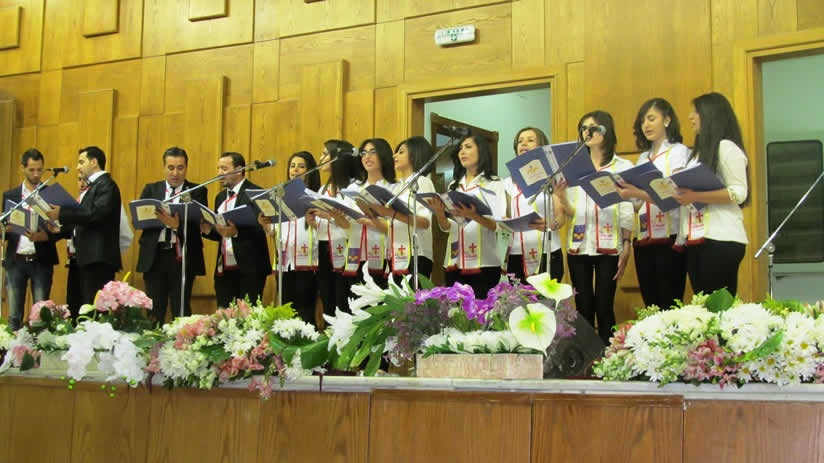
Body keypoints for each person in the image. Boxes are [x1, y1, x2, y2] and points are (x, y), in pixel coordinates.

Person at [559, 111, 634, 345]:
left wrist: (627, 242)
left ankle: (608, 356)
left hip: (609, 244)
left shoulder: (622, 165)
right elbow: (571, 211)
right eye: (583, 128)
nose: (587, 132)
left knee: (604, 305)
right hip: (579, 244)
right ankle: (586, 358)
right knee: (583, 307)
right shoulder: (573, 167)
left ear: (606, 130)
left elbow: (627, 207)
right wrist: (560, 196)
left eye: (593, 127)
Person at [615, 98, 690, 310]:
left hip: (670, 237)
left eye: (651, 119)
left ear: (666, 120)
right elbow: (637, 203)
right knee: (651, 305)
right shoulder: (642, 158)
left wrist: (636, 192)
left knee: (670, 303)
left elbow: (675, 195)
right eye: (642, 121)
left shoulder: (678, 151)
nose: (645, 125)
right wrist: (622, 192)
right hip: (644, 238)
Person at [673, 92, 749, 296]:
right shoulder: (697, 154)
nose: (690, 117)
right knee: (702, 306)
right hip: (697, 238)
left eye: (696, 112)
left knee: (718, 306)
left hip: (721, 238)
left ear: (711, 115)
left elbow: (739, 192)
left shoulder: (725, 147)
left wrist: (695, 196)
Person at [428, 133, 507, 299]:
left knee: (481, 310)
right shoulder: (454, 186)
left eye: (468, 147)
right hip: (454, 262)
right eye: (460, 148)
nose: (462, 151)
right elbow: (448, 227)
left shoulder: (495, 183)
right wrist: (440, 213)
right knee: (456, 312)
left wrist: (473, 215)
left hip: (484, 264)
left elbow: (498, 225)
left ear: (481, 151)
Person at [136, 147, 207, 325]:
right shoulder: (151, 189)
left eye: (180, 168)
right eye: (171, 168)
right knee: (154, 309)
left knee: (181, 309)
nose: (175, 173)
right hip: (155, 256)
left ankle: (183, 342)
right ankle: (153, 341)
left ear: (186, 168)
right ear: (164, 168)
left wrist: (177, 226)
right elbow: (139, 220)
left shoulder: (197, 191)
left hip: (181, 257)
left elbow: (198, 225)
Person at [47, 146, 123, 305]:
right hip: (88, 257)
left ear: (94, 162)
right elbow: (84, 220)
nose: (77, 167)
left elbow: (95, 215)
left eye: (81, 162)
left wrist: (62, 213)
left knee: (95, 307)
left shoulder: (106, 185)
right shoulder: (93, 186)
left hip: (98, 258)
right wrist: (61, 229)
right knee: (83, 306)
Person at [1, 149, 62, 330]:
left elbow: (60, 228)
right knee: (14, 315)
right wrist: (6, 229)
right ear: (22, 168)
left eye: (39, 170)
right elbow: (4, 227)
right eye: (31, 170)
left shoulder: (50, 193)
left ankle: (39, 347)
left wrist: (46, 236)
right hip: (16, 259)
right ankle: (14, 347)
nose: (36, 174)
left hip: (40, 260)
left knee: (40, 315)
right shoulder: (11, 195)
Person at [200, 152, 270, 308]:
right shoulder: (220, 197)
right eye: (218, 168)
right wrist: (207, 230)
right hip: (225, 269)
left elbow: (261, 228)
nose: (219, 173)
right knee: (224, 316)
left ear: (239, 170)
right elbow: (222, 233)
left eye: (224, 169)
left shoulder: (256, 193)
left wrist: (236, 232)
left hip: (250, 268)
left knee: (248, 317)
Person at [259, 151, 321, 324]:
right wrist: (265, 224)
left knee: (305, 312)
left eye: (301, 166)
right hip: (285, 263)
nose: (295, 170)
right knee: (286, 311)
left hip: (308, 262)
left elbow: (323, 228)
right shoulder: (280, 197)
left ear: (310, 171)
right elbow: (275, 231)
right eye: (292, 166)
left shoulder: (315, 196)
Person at [504, 127, 566, 283]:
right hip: (517, 253)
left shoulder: (552, 178)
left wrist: (552, 224)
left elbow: (560, 217)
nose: (523, 143)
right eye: (520, 141)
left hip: (547, 251)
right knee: (518, 298)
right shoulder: (507, 183)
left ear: (541, 147)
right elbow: (506, 216)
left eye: (530, 140)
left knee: (546, 298)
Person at [305, 140, 358, 316]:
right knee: (327, 296)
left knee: (343, 298)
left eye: (325, 154)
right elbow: (322, 224)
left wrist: (328, 216)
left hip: (345, 246)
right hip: (324, 246)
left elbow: (352, 222)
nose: (321, 158)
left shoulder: (351, 187)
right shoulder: (322, 188)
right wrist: (313, 222)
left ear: (338, 157)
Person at [344, 138, 397, 288]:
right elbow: (345, 223)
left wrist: (367, 220)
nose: (367, 157)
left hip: (386, 256)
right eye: (364, 153)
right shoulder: (353, 188)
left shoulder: (395, 188)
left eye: (373, 152)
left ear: (384, 155)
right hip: (357, 256)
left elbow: (396, 224)